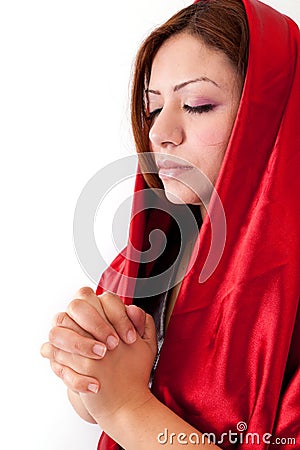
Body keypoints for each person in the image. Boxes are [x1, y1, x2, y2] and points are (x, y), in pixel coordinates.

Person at [41, 0, 300, 448]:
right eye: (153, 108)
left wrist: (127, 407)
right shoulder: (149, 255)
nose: (161, 132)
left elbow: (124, 405)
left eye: (197, 104)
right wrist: (85, 358)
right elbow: (95, 400)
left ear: (273, 117)